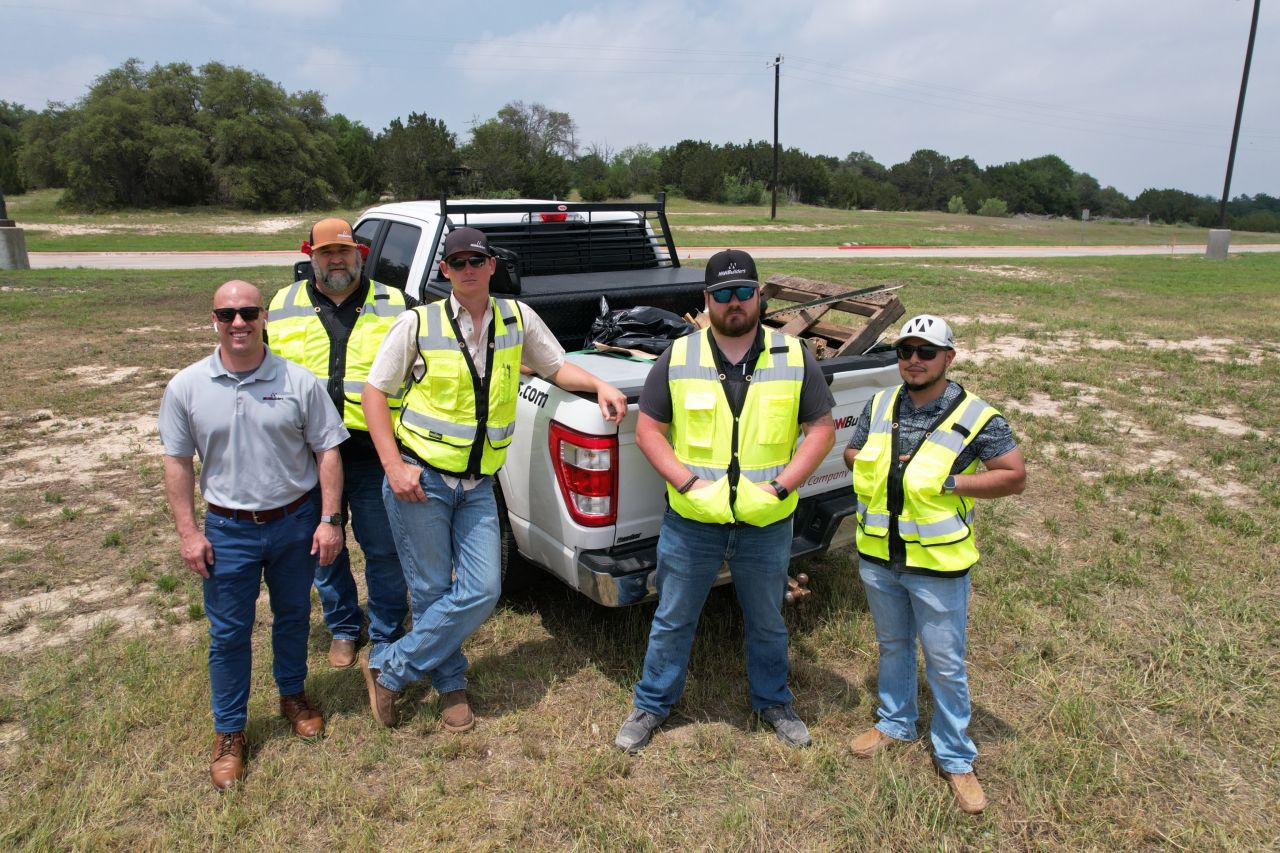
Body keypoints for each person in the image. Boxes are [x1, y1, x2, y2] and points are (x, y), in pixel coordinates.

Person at [358, 226, 627, 731]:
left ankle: (390, 667)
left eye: (475, 260)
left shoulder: (516, 317)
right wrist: (393, 466)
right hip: (423, 481)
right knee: (435, 589)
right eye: (456, 262)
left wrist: (599, 383)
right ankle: (452, 683)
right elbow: (375, 393)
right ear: (445, 270)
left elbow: (556, 367)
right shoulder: (418, 323)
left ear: (491, 265)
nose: (467, 270)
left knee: (483, 589)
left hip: (479, 483)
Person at [614, 249, 836, 753]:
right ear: (707, 299)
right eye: (722, 294)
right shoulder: (679, 355)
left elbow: (820, 430)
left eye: (743, 293)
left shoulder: (794, 355)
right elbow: (649, 430)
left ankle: (773, 701)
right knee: (673, 617)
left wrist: (781, 487)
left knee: (767, 621)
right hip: (693, 520)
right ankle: (652, 704)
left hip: (766, 521)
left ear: (758, 296)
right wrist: (690, 486)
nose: (733, 303)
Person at [159, 280, 349, 790]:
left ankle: (292, 695)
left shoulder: (298, 380)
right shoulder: (187, 386)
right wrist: (187, 533)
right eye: (227, 315)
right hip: (228, 530)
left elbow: (327, 450)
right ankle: (230, 731)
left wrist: (330, 521)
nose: (238, 323)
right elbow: (177, 462)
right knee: (228, 634)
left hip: (294, 523)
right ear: (213, 321)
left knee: (292, 616)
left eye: (247, 312)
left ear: (263, 316)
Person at [843, 314, 1026, 815]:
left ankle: (955, 757)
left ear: (949, 357)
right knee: (893, 645)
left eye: (926, 352)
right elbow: (854, 450)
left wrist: (951, 484)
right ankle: (895, 723)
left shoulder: (978, 417)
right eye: (906, 351)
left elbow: (1013, 476)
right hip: (880, 554)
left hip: (938, 564)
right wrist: (868, 466)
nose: (914, 361)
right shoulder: (880, 403)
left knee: (945, 664)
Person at [268, 218, 410, 669]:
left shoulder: (393, 303)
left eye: (343, 252)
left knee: (383, 548)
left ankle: (387, 629)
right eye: (325, 253)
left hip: (371, 452)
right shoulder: (283, 303)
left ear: (359, 255)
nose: (335, 261)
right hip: (306, 454)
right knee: (323, 548)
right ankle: (344, 627)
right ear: (310, 255)